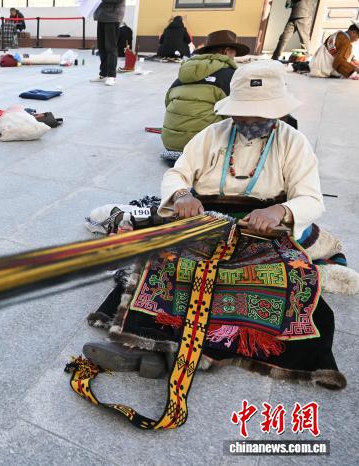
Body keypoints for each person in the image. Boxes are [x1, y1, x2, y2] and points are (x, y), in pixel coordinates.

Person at [79, 61, 347, 401]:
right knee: (163, 260)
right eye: (243, 115)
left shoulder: (294, 142)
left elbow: (311, 198)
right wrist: (182, 195)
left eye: (258, 116)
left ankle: (174, 351)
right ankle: (149, 344)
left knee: (286, 278)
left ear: (277, 112)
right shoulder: (212, 134)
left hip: (261, 226)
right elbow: (177, 173)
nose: (249, 122)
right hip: (206, 216)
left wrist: (280, 210)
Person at [160, 30, 248, 164]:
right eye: (234, 53)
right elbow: (238, 113)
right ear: (226, 52)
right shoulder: (230, 76)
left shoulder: (185, 73)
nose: (234, 57)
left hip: (171, 145)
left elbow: (168, 102)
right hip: (204, 150)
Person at [90, 0, 126, 87]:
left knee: (111, 47)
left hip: (112, 17)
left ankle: (111, 76)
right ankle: (103, 74)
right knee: (101, 47)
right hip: (101, 16)